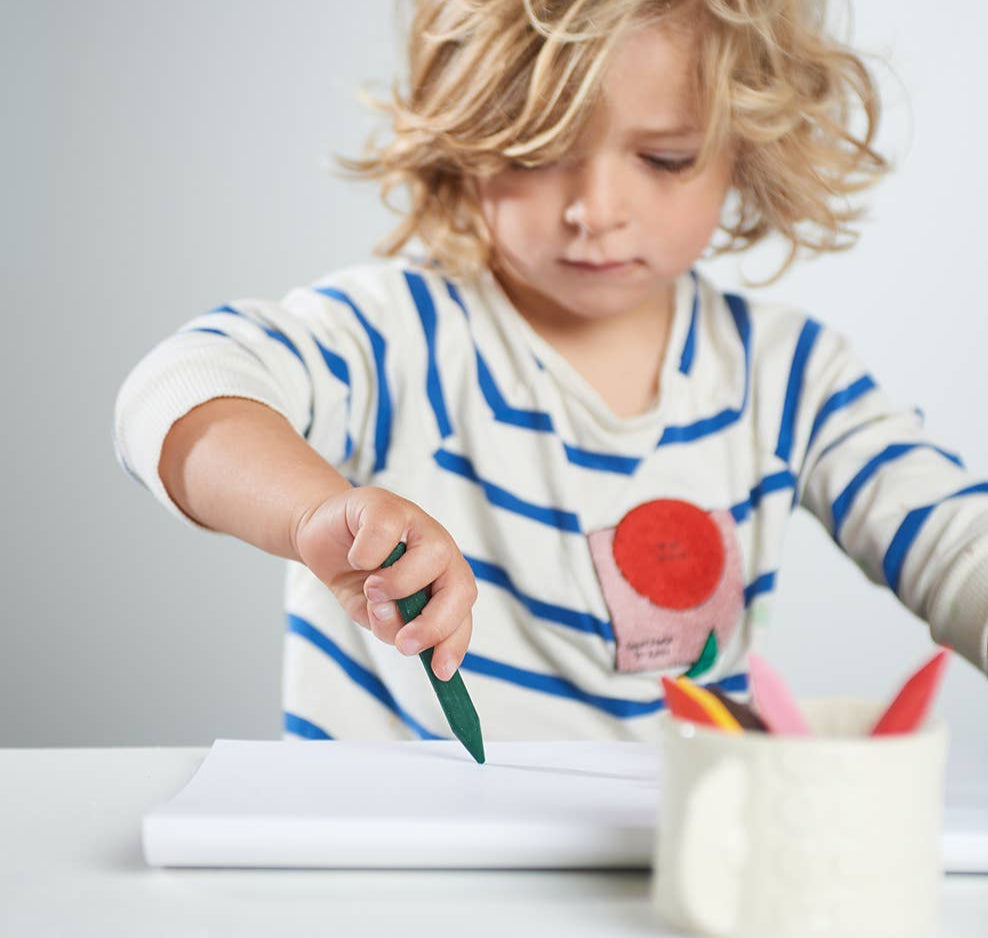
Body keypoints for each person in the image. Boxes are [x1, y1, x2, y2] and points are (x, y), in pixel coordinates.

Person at [113, 0, 988, 743]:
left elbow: (958, 548)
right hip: (391, 890)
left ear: (746, 148)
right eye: (536, 153)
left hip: (666, 887)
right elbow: (178, 385)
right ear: (466, 144)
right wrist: (311, 512)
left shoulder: (789, 375)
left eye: (666, 158)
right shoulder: (402, 337)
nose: (595, 212)